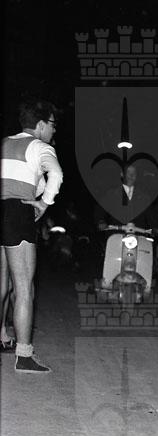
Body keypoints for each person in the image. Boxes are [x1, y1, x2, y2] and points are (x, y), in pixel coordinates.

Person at [0, 97, 63, 373]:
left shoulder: (4, 143)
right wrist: (44, 203)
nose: (54, 129)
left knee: (2, 285)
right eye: (52, 124)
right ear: (39, 124)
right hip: (17, 213)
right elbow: (56, 175)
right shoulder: (40, 147)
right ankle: (24, 355)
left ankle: (2, 336)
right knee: (24, 287)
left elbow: (32, 179)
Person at [95, 163, 158, 232]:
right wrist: (101, 221)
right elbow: (99, 211)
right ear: (122, 174)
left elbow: (152, 218)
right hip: (116, 235)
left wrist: (155, 229)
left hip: (138, 236)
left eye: (134, 173)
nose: (131, 175)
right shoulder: (111, 194)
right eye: (128, 172)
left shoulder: (144, 197)